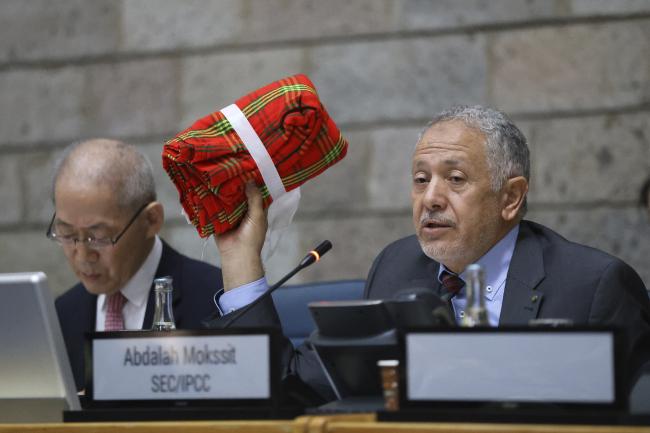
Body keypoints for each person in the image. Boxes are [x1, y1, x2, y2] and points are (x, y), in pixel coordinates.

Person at [208, 105, 650, 401]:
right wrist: (239, 256)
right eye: (421, 180)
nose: (431, 199)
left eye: (455, 179)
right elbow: (293, 388)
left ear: (510, 198)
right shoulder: (398, 268)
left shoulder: (593, 287)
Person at [50, 139, 223, 391]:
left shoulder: (217, 300)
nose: (82, 254)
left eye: (98, 237)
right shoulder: (61, 315)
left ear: (151, 220)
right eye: (66, 234)